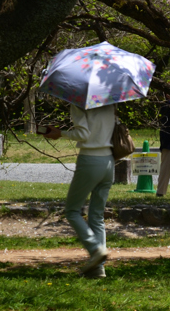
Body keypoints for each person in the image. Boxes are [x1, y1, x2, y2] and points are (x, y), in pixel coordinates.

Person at [43, 103, 116, 278]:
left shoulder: (79, 104)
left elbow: (83, 134)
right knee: (97, 216)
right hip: (108, 161)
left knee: (72, 210)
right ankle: (99, 268)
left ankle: (95, 249)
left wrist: (60, 133)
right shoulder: (109, 103)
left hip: (90, 160)